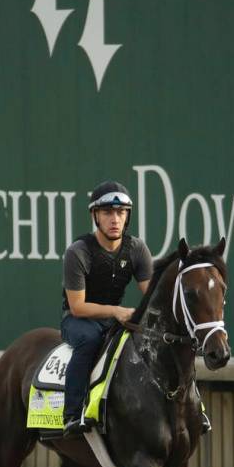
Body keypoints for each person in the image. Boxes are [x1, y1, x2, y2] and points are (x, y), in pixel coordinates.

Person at [61, 180, 153, 436]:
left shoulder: (137, 249)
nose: (115, 219)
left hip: (115, 318)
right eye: (107, 212)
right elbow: (77, 307)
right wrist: (116, 311)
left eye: (121, 212)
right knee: (90, 340)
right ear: (95, 216)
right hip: (77, 321)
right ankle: (72, 414)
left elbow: (152, 297)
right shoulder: (78, 252)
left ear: (128, 216)